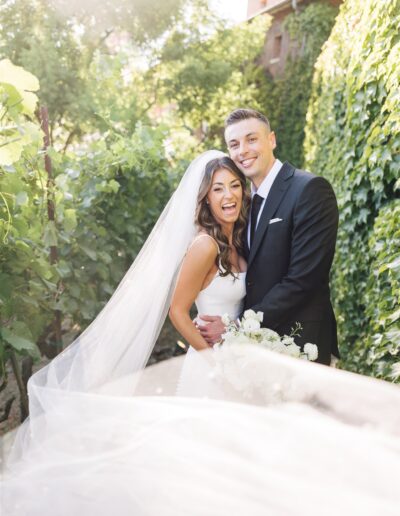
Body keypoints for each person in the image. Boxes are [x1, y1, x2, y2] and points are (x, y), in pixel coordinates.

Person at [2, 149, 400, 516]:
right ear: (205, 198)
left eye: (234, 186)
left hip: (235, 360)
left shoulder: (240, 241)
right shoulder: (205, 244)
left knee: (232, 465)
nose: (228, 195)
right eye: (217, 189)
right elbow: (179, 310)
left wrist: (240, 350)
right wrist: (216, 362)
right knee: (202, 463)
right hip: (209, 365)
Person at [198, 108, 339, 365]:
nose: (243, 151)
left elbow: (302, 280)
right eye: (234, 144)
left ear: (271, 140)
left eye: (252, 139)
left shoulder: (309, 190)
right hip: (252, 354)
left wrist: (235, 327)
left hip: (301, 346)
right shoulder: (243, 203)